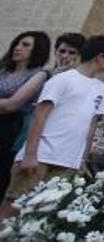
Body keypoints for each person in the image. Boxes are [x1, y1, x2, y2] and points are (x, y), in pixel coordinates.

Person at [5, 35, 104, 210]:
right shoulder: (63, 79)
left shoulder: (102, 89)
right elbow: (40, 115)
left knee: (43, 216)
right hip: (40, 157)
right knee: (14, 207)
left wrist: (82, 159)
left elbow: (91, 125)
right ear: (100, 57)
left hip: (68, 163)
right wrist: (30, 154)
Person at [0, 32, 50, 198]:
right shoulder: (3, 70)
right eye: (17, 43)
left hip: (9, 128)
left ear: (37, 50)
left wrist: (7, 105)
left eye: (25, 45)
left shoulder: (38, 74)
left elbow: (13, 104)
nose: (18, 48)